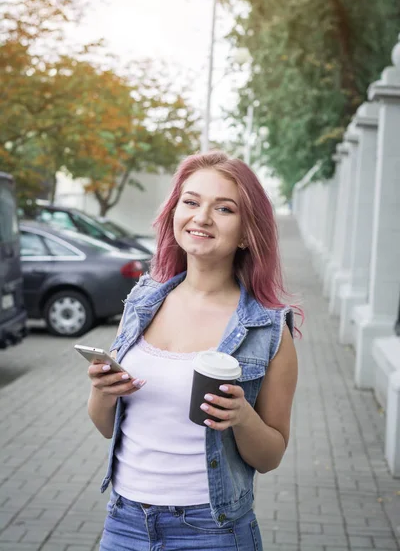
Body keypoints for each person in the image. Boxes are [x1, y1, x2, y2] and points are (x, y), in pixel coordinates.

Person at [88, 151, 299, 551]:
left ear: (246, 233)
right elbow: (105, 426)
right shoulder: (141, 302)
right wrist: (102, 390)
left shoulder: (269, 329)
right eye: (191, 201)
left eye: (224, 208)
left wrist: (241, 418)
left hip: (212, 531)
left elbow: (270, 456)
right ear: (174, 214)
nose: (201, 217)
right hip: (125, 523)